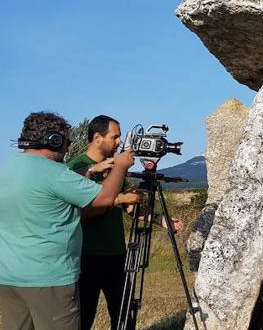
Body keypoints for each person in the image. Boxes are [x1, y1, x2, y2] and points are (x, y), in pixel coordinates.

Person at [0, 111, 137, 330]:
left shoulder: (8, 168)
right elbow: (104, 198)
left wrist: (90, 169)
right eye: (66, 140)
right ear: (54, 140)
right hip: (48, 280)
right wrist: (120, 166)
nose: (67, 146)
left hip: (9, 278)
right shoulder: (54, 172)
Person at [67, 115, 182, 330]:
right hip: (86, 256)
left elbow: (129, 208)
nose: (119, 142)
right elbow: (82, 212)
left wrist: (159, 219)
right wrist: (120, 198)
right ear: (97, 137)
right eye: (115, 136)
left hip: (117, 255)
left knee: (124, 317)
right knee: (83, 318)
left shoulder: (115, 166)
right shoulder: (78, 166)